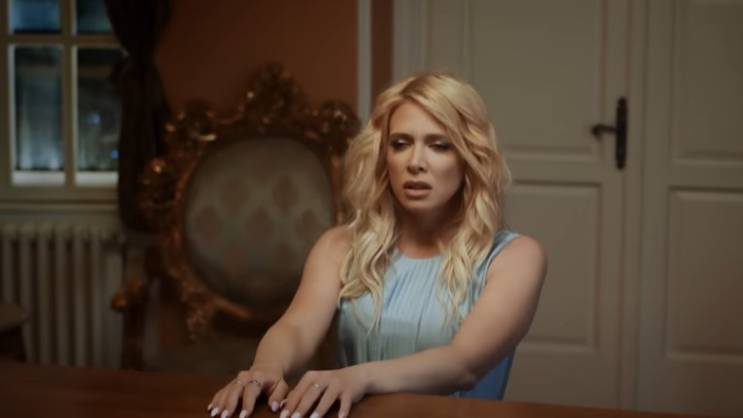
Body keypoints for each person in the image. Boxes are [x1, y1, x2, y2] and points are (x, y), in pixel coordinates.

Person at [207, 72, 547, 418]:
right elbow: (295, 328)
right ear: (384, 155)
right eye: (400, 144)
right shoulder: (340, 245)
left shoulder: (515, 257)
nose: (415, 162)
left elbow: (464, 363)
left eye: (439, 145)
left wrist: (359, 378)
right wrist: (265, 368)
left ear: (469, 156)